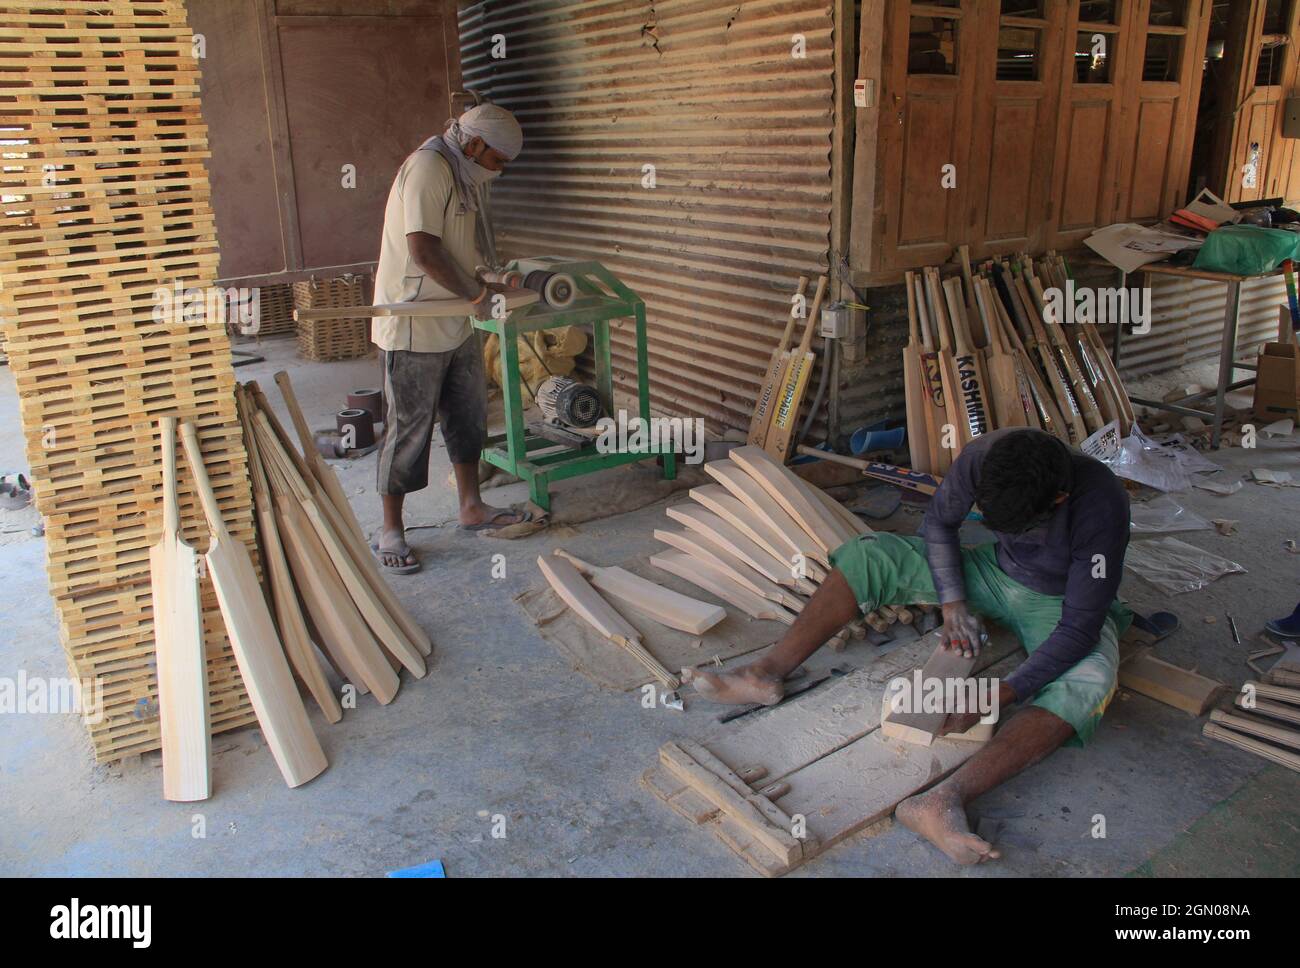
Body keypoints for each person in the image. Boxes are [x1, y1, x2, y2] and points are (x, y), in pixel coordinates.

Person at [685, 428, 1132, 865]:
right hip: (991, 572)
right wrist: (953, 602)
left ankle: (942, 800)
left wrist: (1002, 693)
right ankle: (765, 673)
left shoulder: (1102, 505)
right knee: (869, 553)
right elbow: (940, 523)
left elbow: (1078, 627)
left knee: (1091, 678)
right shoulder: (987, 459)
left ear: (1057, 499)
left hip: (1057, 597)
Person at [371, 103, 532, 572]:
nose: (498, 171)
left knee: (467, 418)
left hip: (453, 317)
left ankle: (471, 506)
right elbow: (423, 250)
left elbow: (457, 249)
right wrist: (477, 292)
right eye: (498, 160)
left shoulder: (460, 175)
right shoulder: (428, 168)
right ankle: (391, 531)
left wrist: (487, 280)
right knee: (407, 431)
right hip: (413, 321)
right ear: (475, 145)